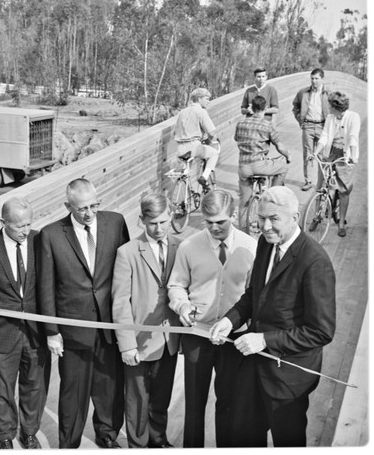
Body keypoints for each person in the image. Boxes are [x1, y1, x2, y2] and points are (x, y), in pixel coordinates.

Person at [209, 186, 336, 447]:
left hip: (288, 380)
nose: (265, 226)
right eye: (262, 218)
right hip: (254, 369)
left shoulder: (315, 262)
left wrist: (265, 340)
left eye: (274, 219)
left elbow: (321, 331)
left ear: (296, 217)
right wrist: (230, 320)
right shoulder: (266, 243)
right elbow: (254, 294)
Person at [36, 178, 130, 448]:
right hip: (73, 332)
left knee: (110, 389)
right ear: (68, 206)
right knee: (73, 393)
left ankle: (107, 436)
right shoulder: (51, 235)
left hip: (109, 327)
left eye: (94, 205)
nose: (90, 213)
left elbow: (125, 274)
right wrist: (52, 332)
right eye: (82, 209)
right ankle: (69, 443)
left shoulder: (115, 222)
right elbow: (46, 287)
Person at [167, 189, 257, 447]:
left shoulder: (251, 247)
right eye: (209, 222)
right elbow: (176, 285)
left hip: (233, 338)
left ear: (234, 215)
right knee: (194, 402)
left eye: (221, 221)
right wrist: (182, 306)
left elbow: (253, 295)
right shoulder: (189, 246)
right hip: (198, 335)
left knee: (228, 402)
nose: (215, 227)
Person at [0, 196, 51, 449]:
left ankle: (29, 432)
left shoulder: (40, 241)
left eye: (28, 224)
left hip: (36, 332)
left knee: (35, 385)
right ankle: (5, 436)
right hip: (2, 331)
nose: (26, 231)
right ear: (3, 222)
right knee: (2, 388)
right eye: (19, 226)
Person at [111, 193, 182, 448]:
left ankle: (158, 438)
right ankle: (138, 445)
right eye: (153, 223)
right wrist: (127, 344)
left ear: (170, 217)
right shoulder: (127, 252)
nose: (159, 228)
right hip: (138, 342)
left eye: (164, 222)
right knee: (137, 399)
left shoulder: (180, 246)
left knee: (161, 396)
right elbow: (120, 302)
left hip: (169, 340)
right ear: (142, 220)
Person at [234, 95, 290, 230]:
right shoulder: (267, 125)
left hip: (243, 167)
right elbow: (280, 146)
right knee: (283, 167)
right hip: (259, 165)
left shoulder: (240, 124)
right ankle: (272, 195)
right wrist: (288, 156)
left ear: (252, 108)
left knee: (244, 201)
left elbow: (236, 138)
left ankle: (243, 230)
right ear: (265, 109)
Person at [310, 91, 360, 237]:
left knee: (343, 190)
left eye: (330, 105)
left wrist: (353, 156)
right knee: (322, 186)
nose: (328, 108)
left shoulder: (353, 117)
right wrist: (315, 152)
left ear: (337, 107)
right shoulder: (331, 117)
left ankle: (341, 222)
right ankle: (317, 216)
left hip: (346, 157)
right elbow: (325, 136)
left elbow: (353, 137)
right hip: (331, 153)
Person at [292, 68, 331, 191]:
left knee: (321, 155)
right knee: (308, 153)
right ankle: (308, 181)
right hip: (308, 125)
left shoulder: (328, 93)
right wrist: (300, 120)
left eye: (316, 78)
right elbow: (295, 107)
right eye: (312, 78)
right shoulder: (303, 92)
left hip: (322, 126)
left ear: (322, 78)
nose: (314, 81)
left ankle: (321, 182)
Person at [174, 87, 220, 190]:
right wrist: (208, 140)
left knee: (186, 172)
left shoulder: (182, 112)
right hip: (194, 147)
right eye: (207, 99)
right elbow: (211, 132)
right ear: (199, 99)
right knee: (214, 153)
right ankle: (204, 177)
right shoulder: (201, 111)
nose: (208, 101)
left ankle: (185, 194)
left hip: (180, 148)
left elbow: (174, 131)